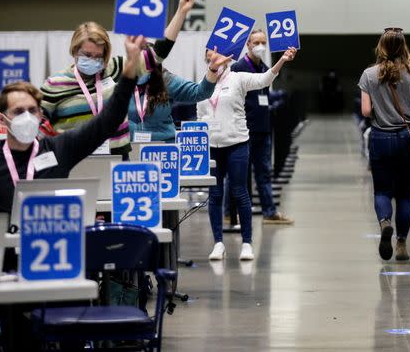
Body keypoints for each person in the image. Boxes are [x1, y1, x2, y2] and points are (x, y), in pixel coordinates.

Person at [0, 35, 146, 214]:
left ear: (40, 113)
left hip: (52, 238)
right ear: (1, 119)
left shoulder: (59, 149)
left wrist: (131, 65)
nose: (27, 117)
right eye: (19, 111)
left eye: (32, 110)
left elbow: (108, 120)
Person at [40, 0, 195, 155]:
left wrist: (181, 12)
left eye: (99, 56)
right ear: (74, 50)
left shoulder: (114, 70)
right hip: (73, 160)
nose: (93, 60)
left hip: (116, 158)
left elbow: (156, 55)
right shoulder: (54, 84)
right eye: (87, 55)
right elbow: (37, 126)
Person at [198, 46, 298, 262]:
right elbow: (200, 115)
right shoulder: (203, 85)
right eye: (208, 60)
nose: (212, 63)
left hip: (236, 143)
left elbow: (264, 79)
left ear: (225, 60)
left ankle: (247, 242)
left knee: (240, 191)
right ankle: (218, 243)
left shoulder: (238, 78)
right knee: (214, 195)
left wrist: (282, 60)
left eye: (215, 58)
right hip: (213, 147)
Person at [359, 28, 410, 262]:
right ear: (404, 47)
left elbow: (366, 111)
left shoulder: (368, 74)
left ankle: (385, 221)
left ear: (382, 47)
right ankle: (401, 244)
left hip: (380, 136)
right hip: (406, 138)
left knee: (382, 191)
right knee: (405, 195)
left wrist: (382, 108)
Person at [230, 29, 294, 225]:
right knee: (240, 174)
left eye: (263, 42)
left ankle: (269, 211)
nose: (260, 46)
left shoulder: (264, 67)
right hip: (244, 128)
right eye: (256, 42)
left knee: (264, 171)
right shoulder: (238, 67)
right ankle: (231, 211)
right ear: (248, 44)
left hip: (263, 127)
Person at [128, 47, 230, 143]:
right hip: (133, 146)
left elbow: (200, 92)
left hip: (164, 147)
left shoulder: (166, 80)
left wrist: (213, 69)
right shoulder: (123, 84)